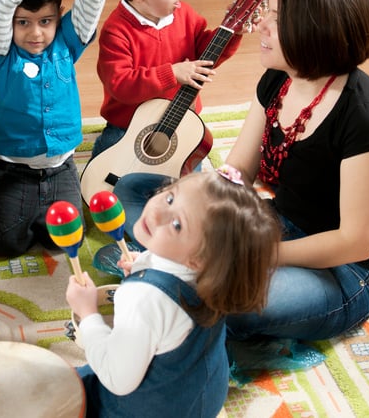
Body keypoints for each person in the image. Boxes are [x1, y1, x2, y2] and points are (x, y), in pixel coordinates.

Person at [222, 0, 369, 343]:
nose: (259, 25)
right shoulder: (279, 77)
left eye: (275, 17)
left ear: (313, 29)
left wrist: (264, 255)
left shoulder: (368, 118)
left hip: (350, 270)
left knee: (231, 306)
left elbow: (356, 241)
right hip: (284, 222)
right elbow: (241, 167)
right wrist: (206, 210)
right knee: (144, 191)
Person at [66, 167, 281, 417]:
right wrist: (142, 265)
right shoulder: (215, 276)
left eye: (177, 225)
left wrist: (88, 314)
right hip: (200, 398)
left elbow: (117, 379)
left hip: (146, 409)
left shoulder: (142, 299)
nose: (157, 212)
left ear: (198, 260)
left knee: (63, 385)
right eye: (170, 197)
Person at [0, 0, 117, 257]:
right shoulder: (1, 54)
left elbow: (89, 4)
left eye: (45, 21)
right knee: (4, 243)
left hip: (61, 168)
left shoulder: (66, 45)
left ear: (59, 17)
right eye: (23, 22)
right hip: (12, 170)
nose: (35, 33)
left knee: (68, 240)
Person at [91, 0, 244, 160]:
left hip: (180, 117)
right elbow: (121, 85)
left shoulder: (185, 15)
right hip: (128, 124)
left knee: (191, 172)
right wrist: (171, 73)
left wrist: (232, 33)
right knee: (104, 170)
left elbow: (205, 57)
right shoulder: (116, 31)